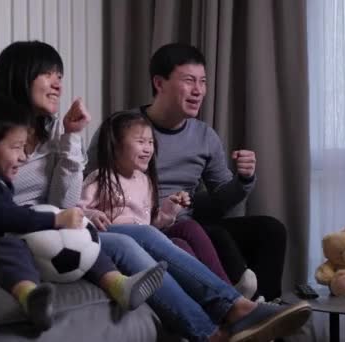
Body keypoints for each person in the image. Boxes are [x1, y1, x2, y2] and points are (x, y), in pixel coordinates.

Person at [0, 40, 309, 341]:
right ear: (19, 76)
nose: (59, 81)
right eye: (47, 73)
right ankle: (207, 331)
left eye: (60, 73)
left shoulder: (49, 137)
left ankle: (236, 307)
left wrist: (72, 140)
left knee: (144, 233)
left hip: (50, 228)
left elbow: (64, 202)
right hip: (16, 235)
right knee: (126, 245)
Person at [0, 94, 167, 330]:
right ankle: (30, 296)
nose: (23, 156)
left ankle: (119, 285)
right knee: (10, 247)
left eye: (24, 147)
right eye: (16, 148)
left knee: (81, 240)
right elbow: (2, 216)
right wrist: (54, 219)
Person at [87, 43, 286, 302]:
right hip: (142, 224)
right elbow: (92, 181)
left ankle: (268, 310)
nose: (198, 90)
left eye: (203, 82)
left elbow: (222, 198)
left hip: (186, 222)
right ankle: (242, 304)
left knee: (270, 229)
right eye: (189, 81)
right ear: (159, 83)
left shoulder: (205, 136)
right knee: (209, 232)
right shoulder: (123, 129)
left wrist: (243, 179)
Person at [79, 111, 257, 299]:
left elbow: (149, 224)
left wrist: (168, 212)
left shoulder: (145, 181)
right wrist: (91, 215)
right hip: (127, 246)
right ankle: (221, 297)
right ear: (116, 146)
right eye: (140, 142)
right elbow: (77, 211)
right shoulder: (100, 178)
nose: (148, 149)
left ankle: (223, 292)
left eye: (150, 142)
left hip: (149, 239)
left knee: (187, 229)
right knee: (178, 240)